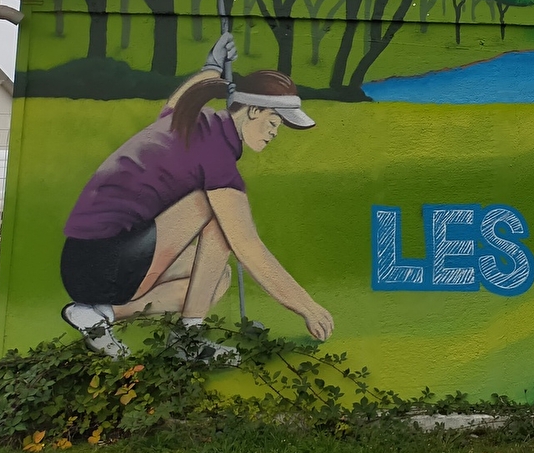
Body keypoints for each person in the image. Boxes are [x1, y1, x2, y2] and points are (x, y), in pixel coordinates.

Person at [58, 33, 332, 359]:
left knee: (216, 280)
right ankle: (190, 339)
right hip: (105, 262)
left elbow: (179, 99)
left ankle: (102, 316)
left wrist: (211, 67)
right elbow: (249, 248)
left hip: (85, 264)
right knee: (218, 218)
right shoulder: (216, 155)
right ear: (254, 110)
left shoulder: (189, 120)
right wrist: (307, 307)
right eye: (274, 121)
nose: (275, 132)